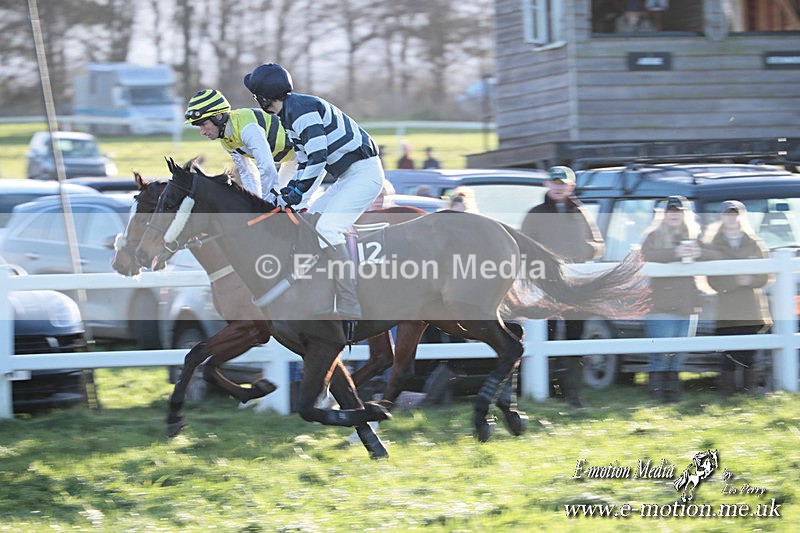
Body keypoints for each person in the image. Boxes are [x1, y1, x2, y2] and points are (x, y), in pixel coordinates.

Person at [243, 63, 384, 321]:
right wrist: (287, 195)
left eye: (256, 96)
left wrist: (295, 194)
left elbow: (318, 159)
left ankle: (349, 301)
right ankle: (319, 290)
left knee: (328, 228)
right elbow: (306, 161)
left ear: (263, 98)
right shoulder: (289, 115)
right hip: (348, 175)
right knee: (310, 221)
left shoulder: (301, 110)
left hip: (364, 174)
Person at [520, 166, 604, 408]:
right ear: (548, 185)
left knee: (575, 338)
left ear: (571, 186)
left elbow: (599, 245)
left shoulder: (581, 213)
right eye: (555, 183)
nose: (558, 187)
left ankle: (573, 393)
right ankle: (545, 391)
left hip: (576, 286)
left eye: (563, 183)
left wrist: (585, 250)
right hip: (545, 288)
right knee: (545, 337)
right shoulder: (535, 214)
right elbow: (523, 247)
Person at [641, 195, 711, 402]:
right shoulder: (653, 236)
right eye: (670, 211)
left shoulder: (695, 235)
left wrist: (699, 252)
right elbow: (645, 256)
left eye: (678, 211)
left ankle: (673, 397)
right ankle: (657, 396)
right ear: (663, 214)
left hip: (688, 303)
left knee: (680, 353)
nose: (674, 215)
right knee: (661, 354)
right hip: (660, 304)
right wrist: (674, 252)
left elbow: (712, 254)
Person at [703, 201, 772, 395]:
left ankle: (748, 394)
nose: (732, 218)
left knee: (750, 355)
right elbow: (712, 281)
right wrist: (735, 281)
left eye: (735, 214)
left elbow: (766, 276)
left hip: (751, 308)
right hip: (726, 308)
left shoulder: (754, 242)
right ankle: (729, 395)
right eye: (728, 214)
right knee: (728, 355)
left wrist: (750, 280)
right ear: (721, 217)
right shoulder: (714, 245)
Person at [183, 89, 294, 203]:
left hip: (305, 156)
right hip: (291, 161)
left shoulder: (247, 128)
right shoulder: (226, 140)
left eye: (204, 124)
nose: (202, 132)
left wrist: (265, 205)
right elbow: (248, 172)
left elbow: (267, 167)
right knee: (277, 204)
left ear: (218, 117)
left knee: (287, 203)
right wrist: (254, 204)